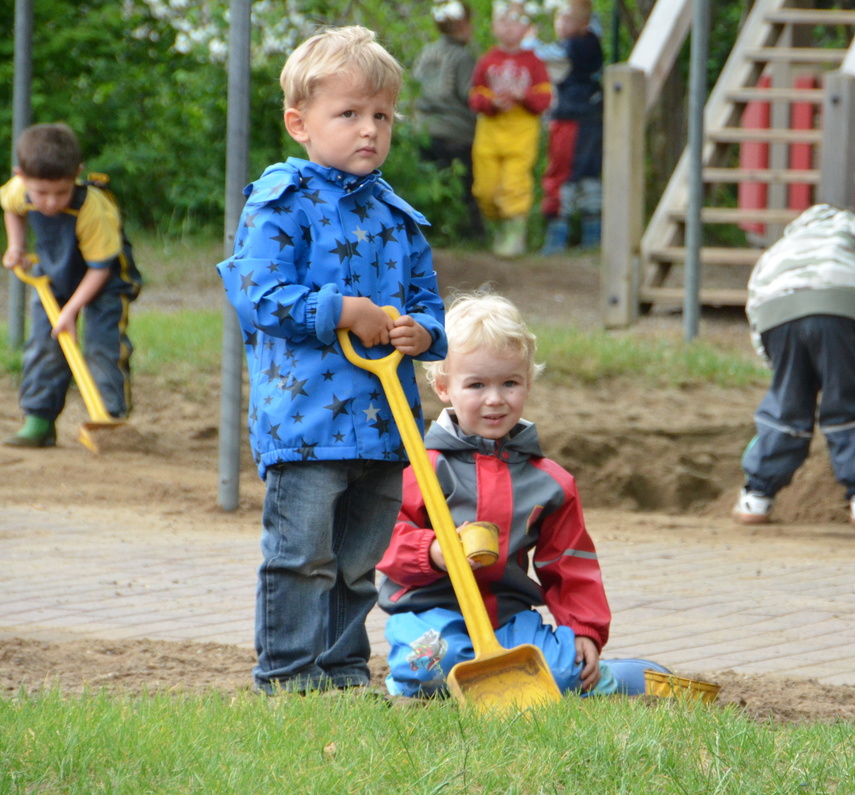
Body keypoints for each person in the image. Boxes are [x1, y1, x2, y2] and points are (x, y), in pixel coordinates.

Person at [217, 25, 447, 694]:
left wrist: (423, 334)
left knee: (357, 563)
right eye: (348, 114)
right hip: (306, 423)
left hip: (384, 424)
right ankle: (288, 676)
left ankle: (342, 672)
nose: (369, 130)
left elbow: (429, 301)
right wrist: (342, 310)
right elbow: (260, 296)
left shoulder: (396, 216)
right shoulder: (281, 203)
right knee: (301, 558)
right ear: (300, 123)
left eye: (381, 115)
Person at [376, 293, 665, 697]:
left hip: (508, 619)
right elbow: (383, 537)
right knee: (431, 664)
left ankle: (616, 678)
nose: (495, 399)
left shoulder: (548, 482)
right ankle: (406, 682)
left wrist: (584, 631)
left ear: (527, 384)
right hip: (430, 614)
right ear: (444, 387)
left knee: (568, 673)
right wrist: (433, 551)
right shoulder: (423, 469)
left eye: (509, 383)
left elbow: (570, 563)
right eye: (476, 385)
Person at [734, 204, 855, 528]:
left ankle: (756, 496)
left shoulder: (783, 244)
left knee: (786, 404)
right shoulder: (852, 223)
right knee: (847, 400)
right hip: (840, 307)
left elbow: (755, 295)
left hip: (777, 311)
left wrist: (771, 357)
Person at [1, 123, 141, 448]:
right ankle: (39, 421)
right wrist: (16, 246)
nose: (50, 203)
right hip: (54, 275)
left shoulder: (94, 209)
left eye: (61, 193)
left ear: (77, 173)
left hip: (106, 281)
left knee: (101, 347)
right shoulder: (18, 189)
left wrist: (70, 311)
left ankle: (111, 421)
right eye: (41, 194)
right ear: (20, 175)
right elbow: (11, 209)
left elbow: (100, 268)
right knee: (42, 343)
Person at [469, 0, 553, 258]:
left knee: (515, 184)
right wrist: (492, 102)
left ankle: (515, 235)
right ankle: (498, 229)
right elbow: (474, 97)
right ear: (494, 27)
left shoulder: (534, 62)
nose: (509, 28)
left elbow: (544, 99)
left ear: (526, 28)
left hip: (521, 133)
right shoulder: (487, 60)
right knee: (485, 188)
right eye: (503, 22)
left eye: (515, 22)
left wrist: (522, 95)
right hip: (490, 132)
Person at [529, 0, 604, 255]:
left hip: (570, 119)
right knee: (588, 175)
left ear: (582, 24)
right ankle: (592, 235)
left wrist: (529, 42)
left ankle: (556, 238)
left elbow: (546, 56)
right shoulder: (593, 41)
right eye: (559, 18)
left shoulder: (572, 47)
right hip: (591, 118)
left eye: (567, 19)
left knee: (560, 175)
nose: (560, 23)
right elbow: (592, 20)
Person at [412, 0, 487, 243]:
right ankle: (473, 236)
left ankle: (429, 231)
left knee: (431, 184)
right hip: (456, 133)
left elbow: (414, 86)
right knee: (464, 188)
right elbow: (469, 95)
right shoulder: (463, 57)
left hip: (425, 129)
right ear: (463, 25)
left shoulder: (427, 51)